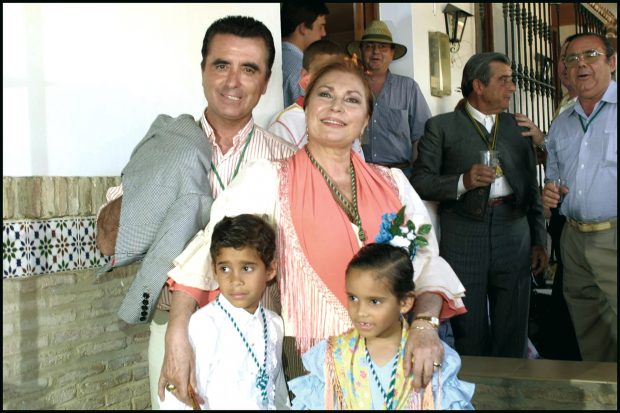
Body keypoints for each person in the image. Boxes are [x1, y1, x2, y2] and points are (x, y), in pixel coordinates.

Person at [164, 60, 468, 405]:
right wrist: (176, 337)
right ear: (306, 108)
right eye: (325, 95)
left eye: (352, 100)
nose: (337, 106)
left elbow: (427, 263)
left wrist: (425, 325)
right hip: (311, 360)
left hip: (391, 355)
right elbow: (210, 251)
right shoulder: (269, 178)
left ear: (366, 120)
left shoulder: (393, 183)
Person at [96, 15, 296, 409]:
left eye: (249, 69)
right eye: (221, 65)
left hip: (256, 328)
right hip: (176, 325)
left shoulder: (285, 160)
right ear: (203, 70)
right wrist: (161, 170)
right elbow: (107, 242)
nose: (232, 82)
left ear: (266, 81)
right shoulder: (169, 144)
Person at [411, 52, 548, 358]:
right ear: (479, 86)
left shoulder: (520, 126)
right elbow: (420, 180)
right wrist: (462, 181)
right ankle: (476, 395)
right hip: (463, 234)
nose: (512, 87)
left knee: (513, 324)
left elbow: (531, 187)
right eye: (504, 80)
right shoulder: (442, 127)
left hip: (514, 230)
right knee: (468, 326)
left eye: (512, 79)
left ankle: (512, 394)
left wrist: (539, 239)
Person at [288, 240, 475, 410]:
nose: (360, 311)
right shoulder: (332, 358)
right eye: (353, 298)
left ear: (405, 302)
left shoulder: (428, 355)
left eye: (374, 301)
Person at [159, 214, 289, 410]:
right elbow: (175, 401)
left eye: (246, 268)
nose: (235, 280)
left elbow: (277, 393)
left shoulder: (274, 325)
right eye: (225, 268)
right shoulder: (203, 326)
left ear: (270, 270)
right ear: (214, 270)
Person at [542, 32, 617, 362]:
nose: (580, 64)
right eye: (571, 59)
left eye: (591, 55)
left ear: (612, 63)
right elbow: (553, 178)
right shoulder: (561, 124)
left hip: (614, 236)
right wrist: (550, 192)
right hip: (573, 240)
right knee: (590, 331)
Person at [530, 36, 581, 361]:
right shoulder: (566, 106)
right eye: (565, 59)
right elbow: (560, 163)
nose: (567, 67)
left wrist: (540, 140)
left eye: (577, 59)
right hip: (567, 215)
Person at [347, 20, 432, 179]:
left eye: (382, 47)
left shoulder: (409, 88)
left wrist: (418, 176)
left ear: (392, 53)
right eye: (369, 46)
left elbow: (421, 137)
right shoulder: (348, 87)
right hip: (358, 175)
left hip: (400, 175)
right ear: (360, 51)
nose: (375, 52)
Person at [269, 39, 364, 158]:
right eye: (322, 73)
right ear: (305, 77)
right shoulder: (286, 123)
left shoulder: (345, 119)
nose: (330, 80)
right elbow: (283, 173)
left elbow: (358, 167)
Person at [280, 3, 329, 107]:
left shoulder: (277, 58)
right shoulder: (302, 71)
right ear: (303, 28)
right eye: (321, 26)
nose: (324, 33)